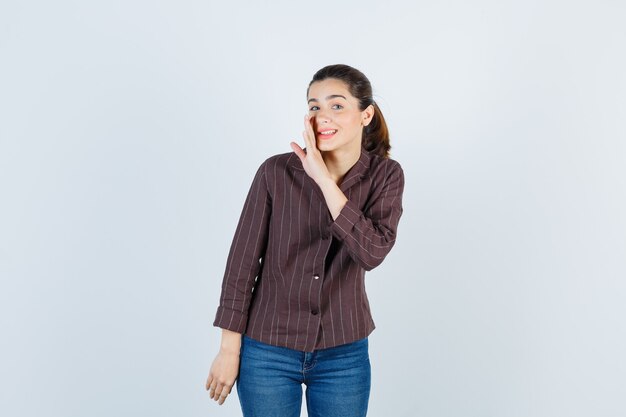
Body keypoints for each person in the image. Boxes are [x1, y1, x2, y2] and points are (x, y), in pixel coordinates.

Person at [205, 64, 405, 417]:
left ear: (366, 114)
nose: (322, 116)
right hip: (267, 350)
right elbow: (242, 264)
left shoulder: (386, 175)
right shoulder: (275, 172)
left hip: (343, 352)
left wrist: (324, 181)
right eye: (314, 106)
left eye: (336, 105)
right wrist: (229, 349)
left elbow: (372, 252)